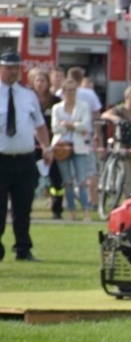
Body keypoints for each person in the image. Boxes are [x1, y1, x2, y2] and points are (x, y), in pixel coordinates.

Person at [0, 51, 52, 262]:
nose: (14, 72)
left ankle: (23, 248)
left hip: (25, 159)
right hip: (1, 159)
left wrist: (46, 147)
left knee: (23, 207)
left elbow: (39, 124)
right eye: (9, 67)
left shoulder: (27, 94)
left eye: (16, 68)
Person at [52, 79, 94, 221]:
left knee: (82, 180)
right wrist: (72, 126)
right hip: (61, 147)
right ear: (63, 92)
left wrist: (69, 125)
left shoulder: (83, 106)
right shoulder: (57, 108)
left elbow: (86, 125)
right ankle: (72, 211)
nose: (71, 93)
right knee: (67, 181)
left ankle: (86, 211)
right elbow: (55, 128)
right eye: (68, 90)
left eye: (73, 90)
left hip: (79, 146)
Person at [101, 84, 131, 199]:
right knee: (127, 181)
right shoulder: (119, 109)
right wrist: (116, 119)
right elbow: (104, 115)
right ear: (126, 99)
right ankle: (129, 203)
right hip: (123, 151)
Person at [29, 68, 64, 219]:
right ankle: (27, 208)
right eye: (37, 80)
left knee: (56, 178)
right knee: (32, 179)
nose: (40, 83)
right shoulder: (29, 100)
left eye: (43, 80)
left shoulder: (56, 101)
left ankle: (57, 209)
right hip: (32, 146)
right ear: (32, 82)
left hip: (52, 145)